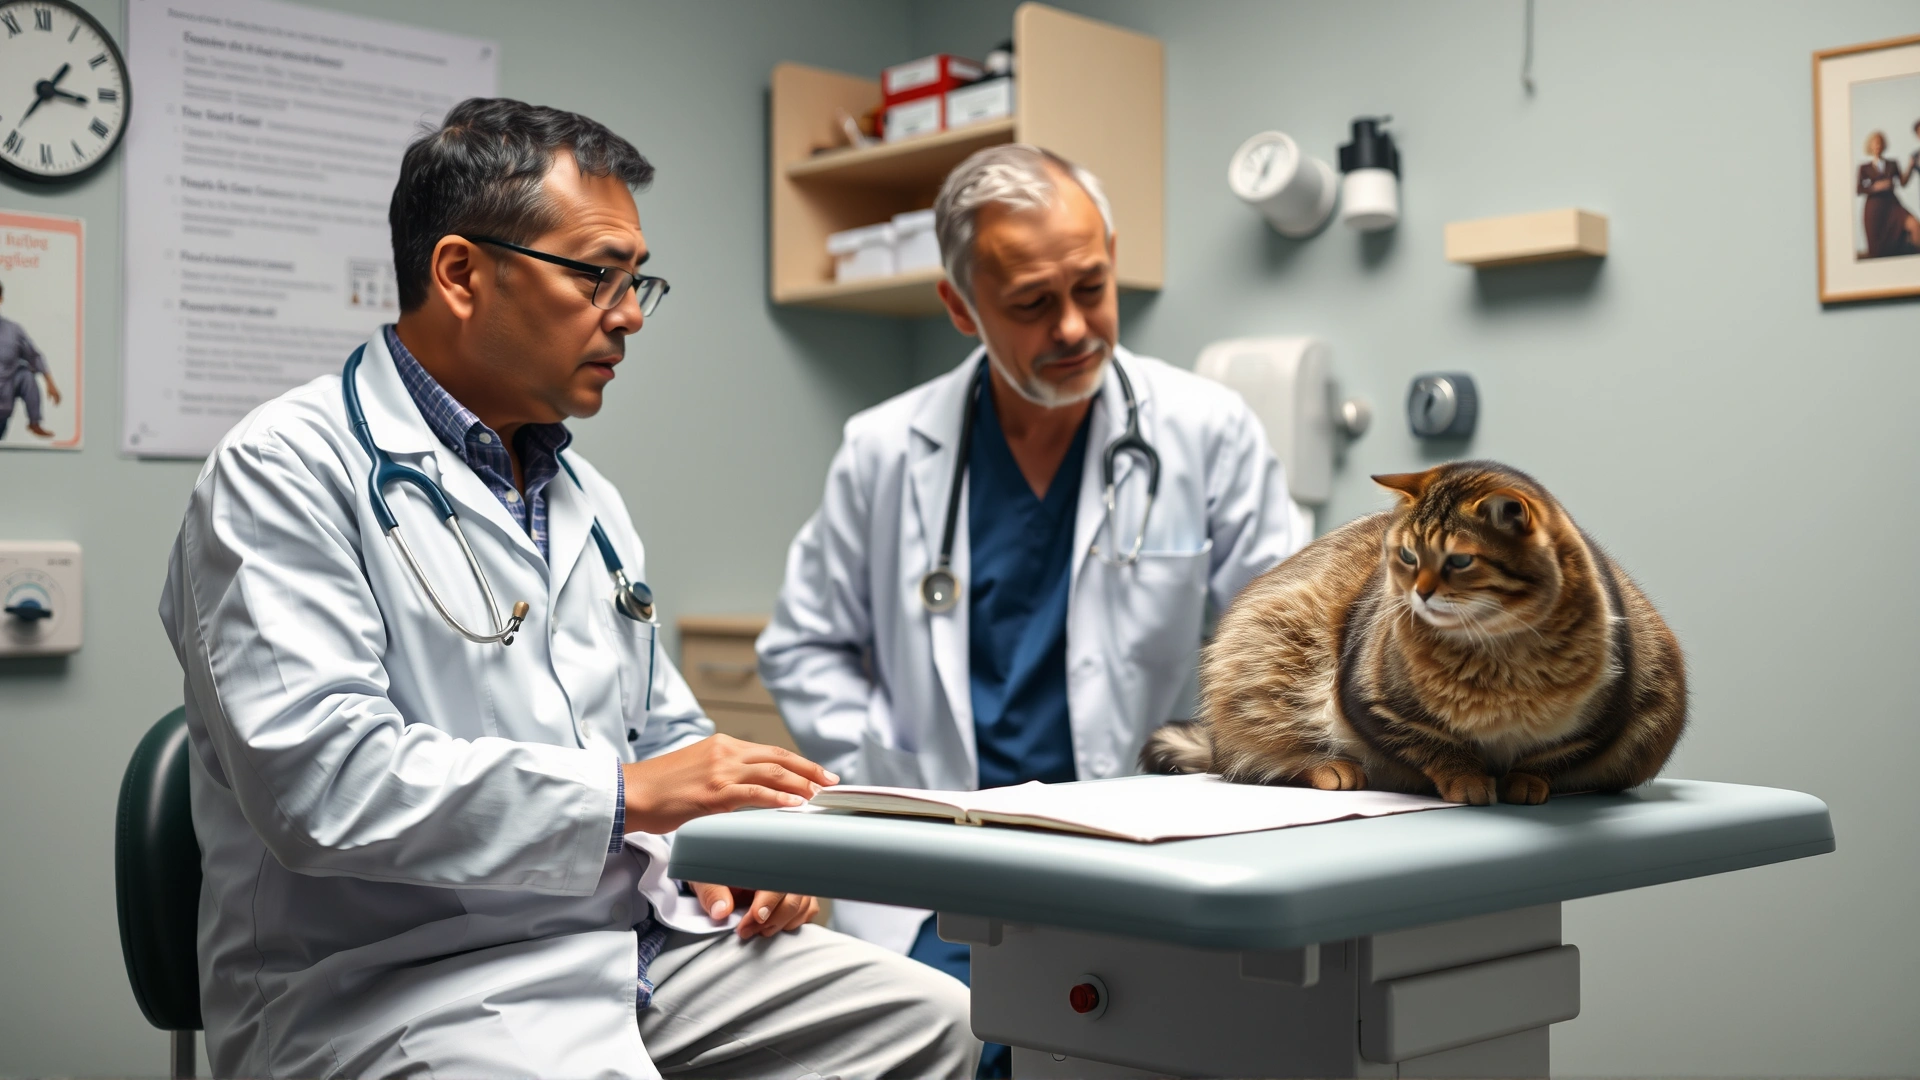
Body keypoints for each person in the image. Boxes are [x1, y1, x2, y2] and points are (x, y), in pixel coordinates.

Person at [159, 98, 976, 1080]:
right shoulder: (283, 470)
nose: (629, 314)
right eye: (599, 276)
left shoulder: (584, 496)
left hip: (631, 948)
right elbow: (322, 783)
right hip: (391, 986)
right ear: (461, 272)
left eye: (639, 282)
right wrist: (630, 796)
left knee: (936, 1019)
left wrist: (730, 845)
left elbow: (662, 735)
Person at [757, 144, 1303, 1074]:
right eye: (1031, 304)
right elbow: (803, 644)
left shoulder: (1204, 430)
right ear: (960, 307)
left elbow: (1290, 644)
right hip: (947, 874)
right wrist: (893, 779)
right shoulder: (887, 448)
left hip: (1139, 856)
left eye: (1093, 286)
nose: (1077, 326)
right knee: (950, 1048)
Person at [0, 282, 61, 439]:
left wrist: (50, 382)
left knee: (26, 373)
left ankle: (34, 423)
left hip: (3, 403)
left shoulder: (13, 331)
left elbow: (34, 356)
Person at [1856, 129, 1920, 258]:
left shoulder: (1892, 164)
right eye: (1874, 143)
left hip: (1892, 205)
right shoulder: (1864, 168)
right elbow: (1859, 189)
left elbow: (1903, 183)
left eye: (1879, 143)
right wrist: (1876, 187)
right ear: (1870, 146)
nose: (1877, 146)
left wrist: (1910, 166)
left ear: (1884, 145)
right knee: (1878, 249)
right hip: (1875, 210)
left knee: (1915, 226)